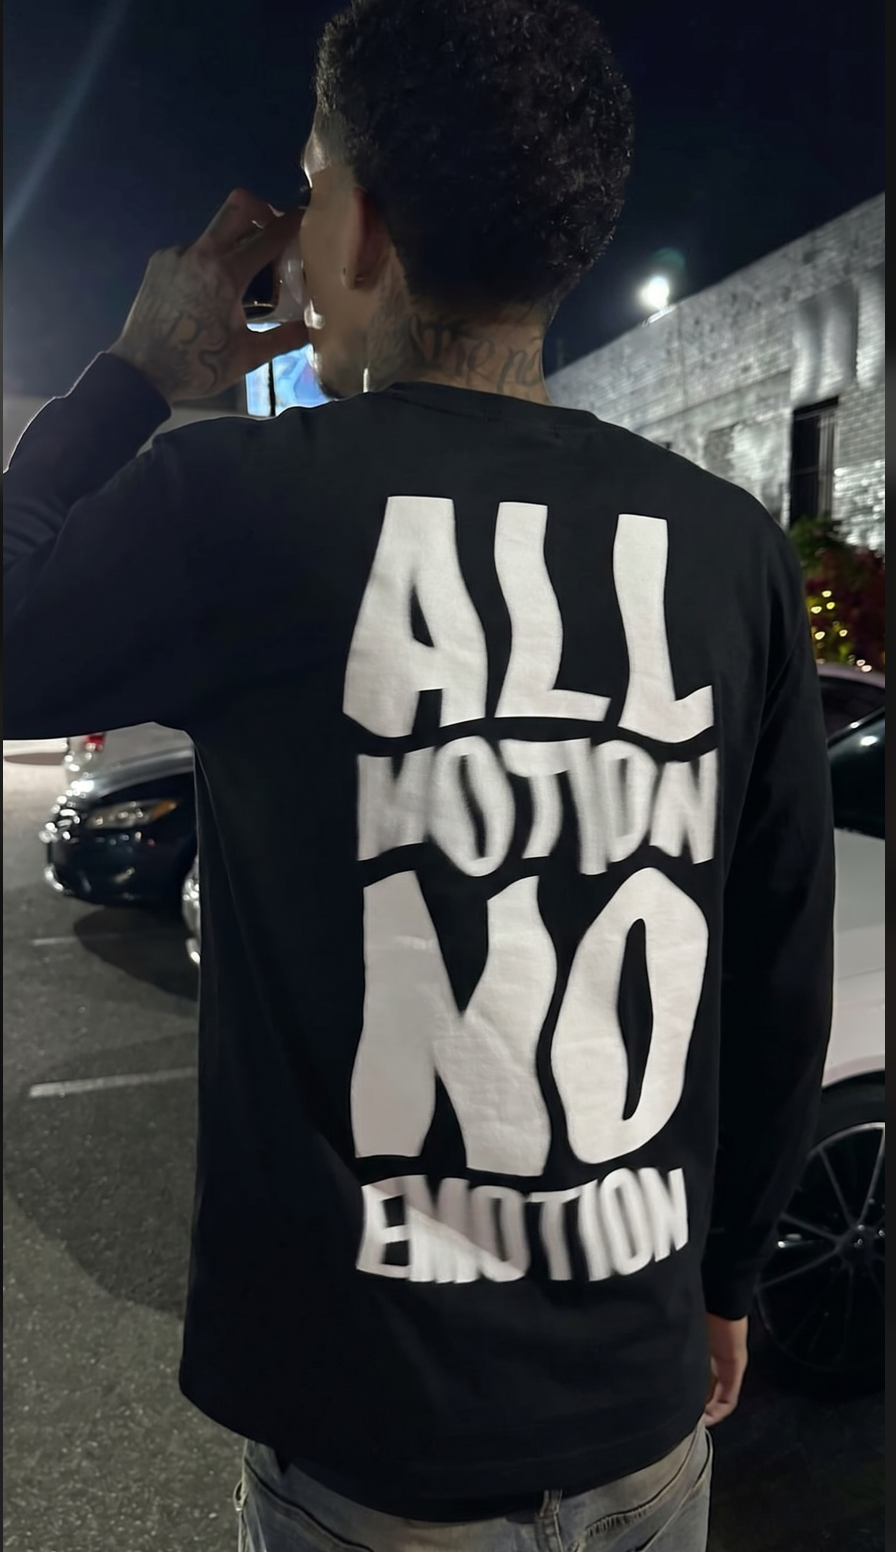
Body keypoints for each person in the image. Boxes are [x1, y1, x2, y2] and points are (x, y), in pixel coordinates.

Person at [3, 0, 834, 1547]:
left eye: (308, 181)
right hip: (643, 1417)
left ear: (361, 221)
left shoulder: (241, 506)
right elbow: (776, 963)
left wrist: (136, 370)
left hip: (373, 1454)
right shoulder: (729, 549)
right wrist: (727, 1280)